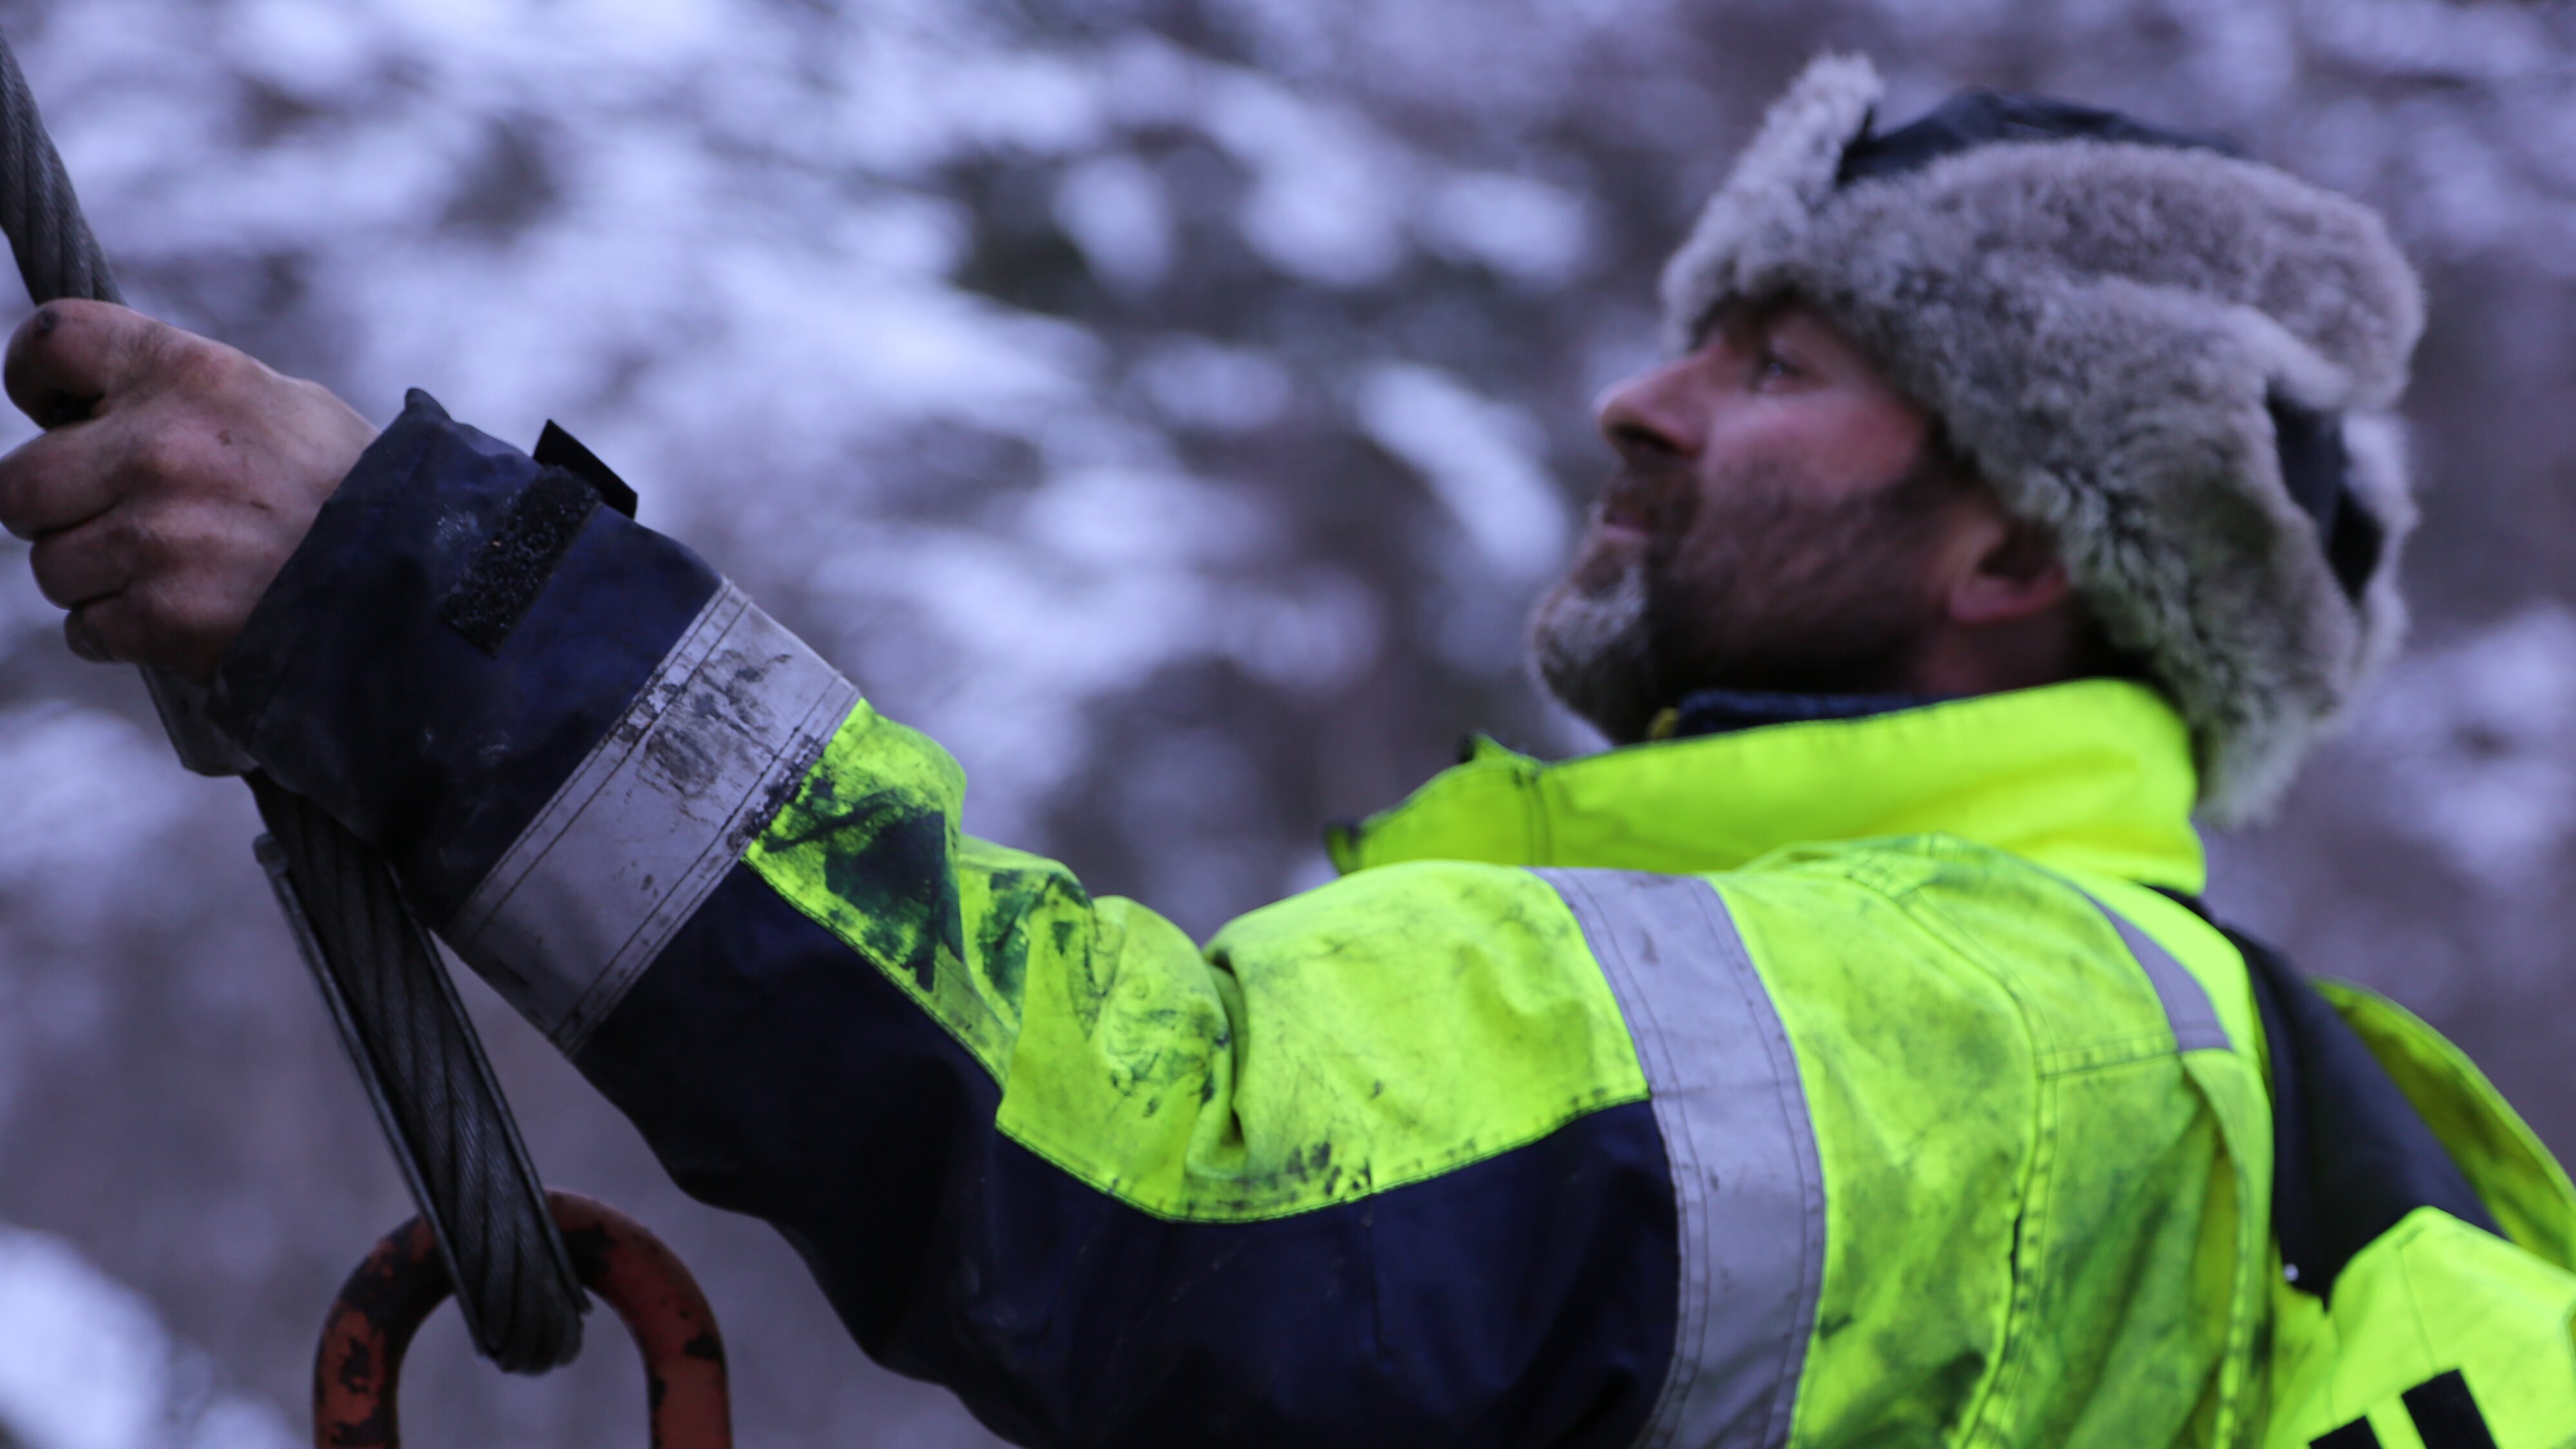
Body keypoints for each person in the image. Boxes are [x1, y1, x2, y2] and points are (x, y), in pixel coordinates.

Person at [0, 53, 2557, 1447]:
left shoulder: (1975, 1018)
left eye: (1772, 367)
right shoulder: (2269, 1108)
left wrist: (423, 595)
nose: (1641, 400)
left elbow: (1190, 1184)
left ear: (2020, 554)